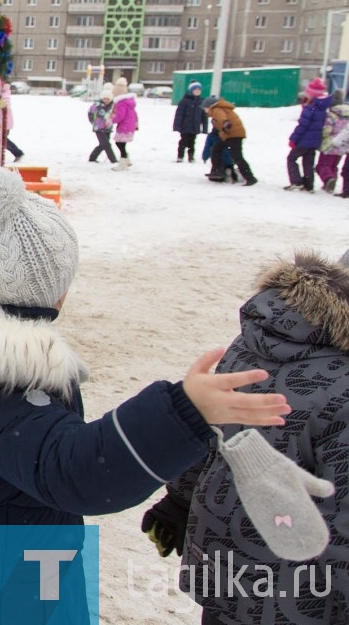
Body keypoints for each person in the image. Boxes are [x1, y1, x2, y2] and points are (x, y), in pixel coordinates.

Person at [0, 166, 291, 625]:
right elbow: (75, 470)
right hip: (2, 566)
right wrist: (182, 413)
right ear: (53, 291)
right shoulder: (5, 382)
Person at [142, 249, 349, 625]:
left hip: (226, 563)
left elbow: (212, 430)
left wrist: (180, 499)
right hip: (301, 592)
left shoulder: (254, 342)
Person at [286, 77, 332, 193]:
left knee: (291, 158)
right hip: (315, 141)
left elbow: (302, 126)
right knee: (308, 162)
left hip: (304, 140)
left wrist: (293, 139)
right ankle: (309, 184)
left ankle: (296, 182)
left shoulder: (310, 108)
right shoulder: (322, 108)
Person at [202, 96, 257, 186]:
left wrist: (225, 123)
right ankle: (218, 171)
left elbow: (222, 117)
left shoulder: (216, 109)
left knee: (236, 156)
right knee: (216, 149)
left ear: (209, 106)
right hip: (231, 135)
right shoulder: (221, 109)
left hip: (233, 135)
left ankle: (250, 178)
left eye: (205, 108)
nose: (205, 111)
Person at [316, 89, 349, 195]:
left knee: (322, 165)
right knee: (333, 166)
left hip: (330, 144)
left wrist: (322, 136)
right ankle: (330, 182)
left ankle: (328, 179)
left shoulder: (332, 114)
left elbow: (327, 130)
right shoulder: (347, 114)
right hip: (342, 146)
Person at [173, 81, 208, 163]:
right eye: (195, 90)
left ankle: (191, 156)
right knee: (183, 141)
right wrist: (177, 126)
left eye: (199, 90)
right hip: (185, 126)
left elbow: (204, 117)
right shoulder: (185, 101)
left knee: (192, 142)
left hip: (195, 126)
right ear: (191, 90)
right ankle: (180, 156)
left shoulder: (201, 102)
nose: (197, 91)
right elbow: (179, 114)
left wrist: (205, 128)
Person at [110, 76, 138, 170]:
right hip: (129, 125)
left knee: (120, 143)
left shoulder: (121, 103)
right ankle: (126, 160)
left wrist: (111, 120)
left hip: (124, 126)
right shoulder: (129, 102)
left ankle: (123, 163)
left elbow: (120, 116)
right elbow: (135, 114)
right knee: (121, 144)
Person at [87, 87, 118, 163]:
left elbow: (116, 114)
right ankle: (113, 160)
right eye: (104, 99)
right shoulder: (97, 105)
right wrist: (94, 122)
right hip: (99, 128)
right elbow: (90, 113)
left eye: (108, 99)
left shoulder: (113, 106)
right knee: (106, 144)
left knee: (102, 144)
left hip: (108, 127)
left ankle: (92, 158)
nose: (106, 101)